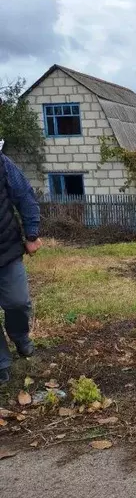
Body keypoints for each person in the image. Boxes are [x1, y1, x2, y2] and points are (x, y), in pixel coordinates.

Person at [0, 145, 41, 384]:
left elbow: (24, 195)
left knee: (17, 302)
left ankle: (20, 336)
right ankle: (2, 363)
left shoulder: (3, 164)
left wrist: (32, 234)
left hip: (6, 249)